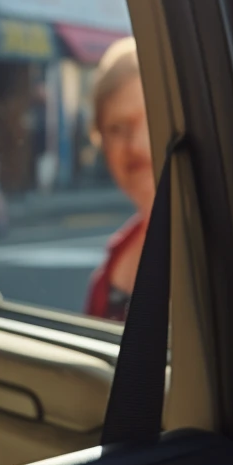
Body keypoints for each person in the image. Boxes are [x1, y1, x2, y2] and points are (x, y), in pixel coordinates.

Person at [84, 37, 154, 322]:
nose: (135, 146)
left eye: (151, 121)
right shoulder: (113, 261)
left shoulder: (226, 250)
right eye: (116, 129)